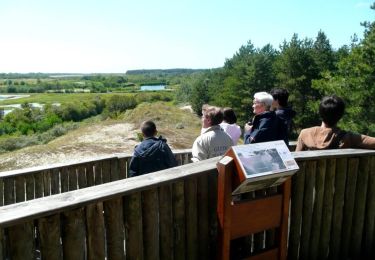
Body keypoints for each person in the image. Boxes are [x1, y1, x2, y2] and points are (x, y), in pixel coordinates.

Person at [296, 95, 375, 151]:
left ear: (320, 113)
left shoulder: (305, 134)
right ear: (340, 116)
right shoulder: (348, 137)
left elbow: (296, 160)